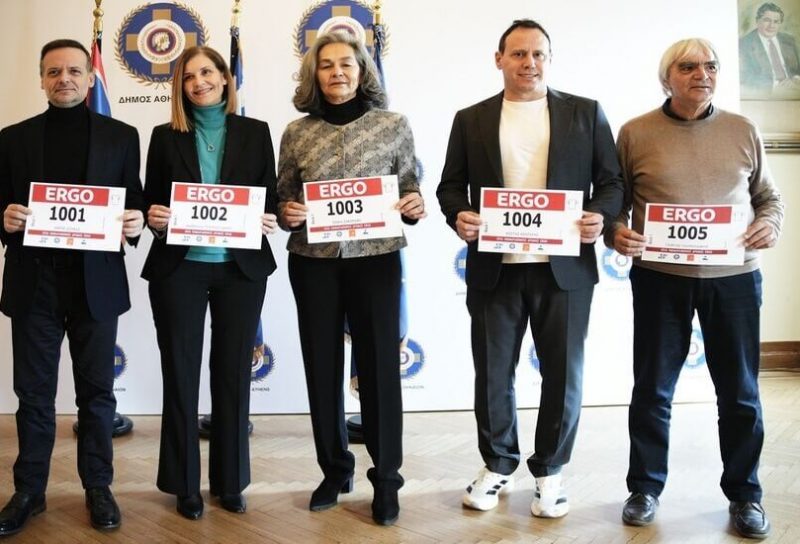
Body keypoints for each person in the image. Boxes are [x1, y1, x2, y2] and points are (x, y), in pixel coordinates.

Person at [437, 19, 623, 518]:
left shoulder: (585, 112)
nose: (529, 63)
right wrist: (460, 214)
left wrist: (600, 215)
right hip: (495, 268)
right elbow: (450, 186)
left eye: (538, 53)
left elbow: (611, 182)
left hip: (564, 270)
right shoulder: (471, 119)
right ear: (498, 59)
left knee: (563, 374)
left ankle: (551, 471)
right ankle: (497, 464)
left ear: (549, 59)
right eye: (518, 53)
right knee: (493, 374)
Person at [608, 38, 783, 540]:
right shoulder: (635, 132)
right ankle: (644, 489)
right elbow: (615, 201)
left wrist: (769, 224)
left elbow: (769, 199)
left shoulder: (743, 130)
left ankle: (745, 496)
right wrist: (616, 231)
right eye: (688, 67)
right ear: (667, 78)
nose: (701, 75)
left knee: (741, 393)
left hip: (735, 279)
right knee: (652, 389)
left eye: (710, 66)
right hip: (660, 279)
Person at [277, 31, 425, 526]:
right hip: (313, 262)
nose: (337, 72)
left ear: (362, 71)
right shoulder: (296, 132)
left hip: (375, 261)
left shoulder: (393, 125)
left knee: (380, 370)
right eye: (326, 65)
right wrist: (288, 212)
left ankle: (387, 479)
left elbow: (410, 188)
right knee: (321, 367)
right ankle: (334, 470)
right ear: (314, 75)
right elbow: (284, 197)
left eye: (347, 63)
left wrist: (414, 205)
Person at [0, 39, 144, 535]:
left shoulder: (122, 136)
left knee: (97, 394)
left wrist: (133, 221)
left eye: (74, 71)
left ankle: (98, 487)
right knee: (33, 395)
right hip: (34, 284)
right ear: (42, 79)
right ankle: (29, 491)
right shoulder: (12, 138)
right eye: (54, 71)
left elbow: (134, 201)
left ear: (89, 78)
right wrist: (4, 217)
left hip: (95, 285)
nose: (64, 78)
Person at [142, 45, 278, 520]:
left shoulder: (256, 132)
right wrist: (155, 217)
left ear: (224, 77)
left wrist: (269, 216)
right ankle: (184, 484)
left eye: (206, 72)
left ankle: (230, 481)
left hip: (240, 270)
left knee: (233, 374)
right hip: (179, 268)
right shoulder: (164, 137)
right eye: (188, 76)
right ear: (180, 87)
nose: (198, 82)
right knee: (180, 375)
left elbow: (270, 196)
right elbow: (151, 201)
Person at [739, 2, 800, 95]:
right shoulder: (744, 44)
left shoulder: (789, 40)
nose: (772, 26)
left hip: (794, 89)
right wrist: (774, 86)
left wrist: (796, 78)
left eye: (776, 21)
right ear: (757, 21)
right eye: (767, 20)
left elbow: (797, 68)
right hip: (767, 94)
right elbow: (743, 77)